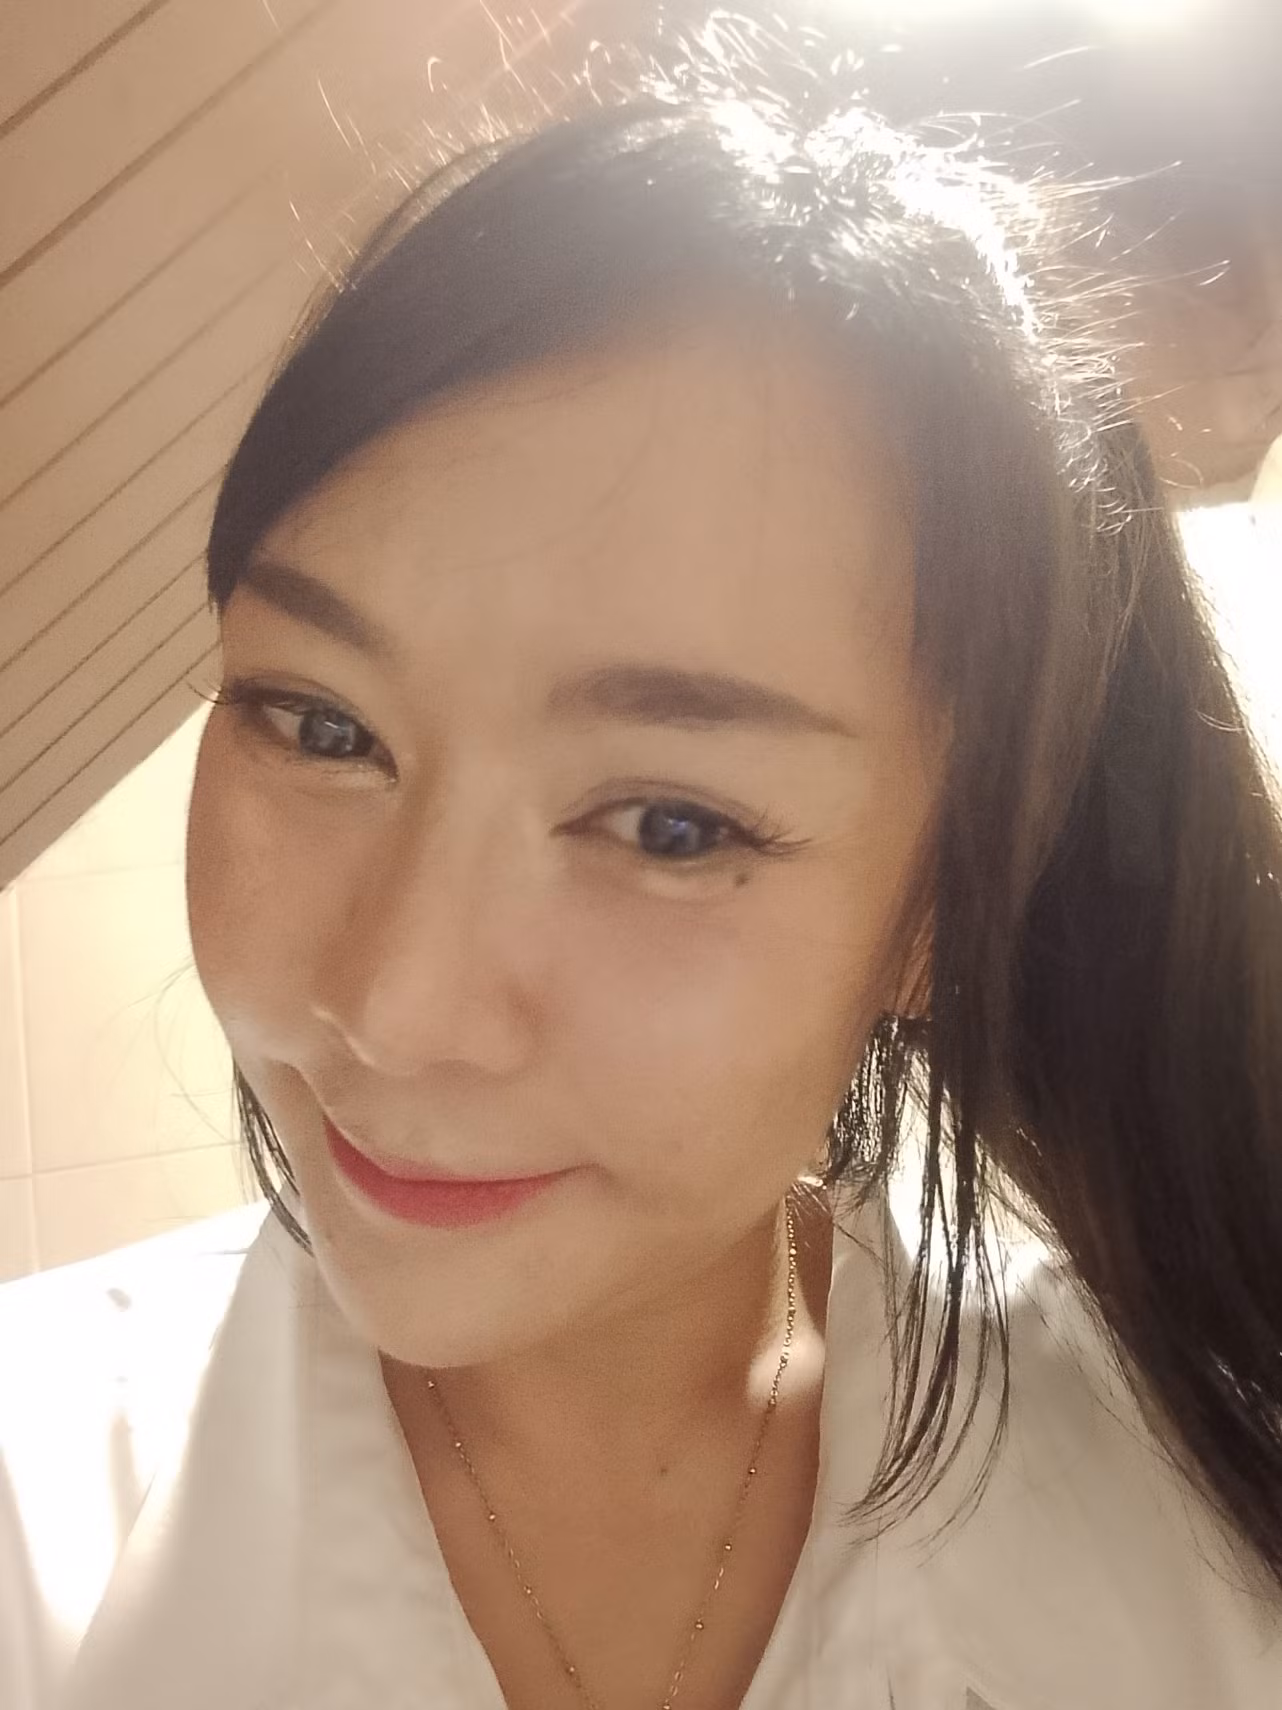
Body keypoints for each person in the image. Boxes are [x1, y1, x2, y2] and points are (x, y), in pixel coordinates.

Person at [3, 29, 1282, 1710]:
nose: (393, 1007)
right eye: (319, 724)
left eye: (671, 825)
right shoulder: (38, 1502)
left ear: (944, 905)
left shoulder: (1198, 1528)